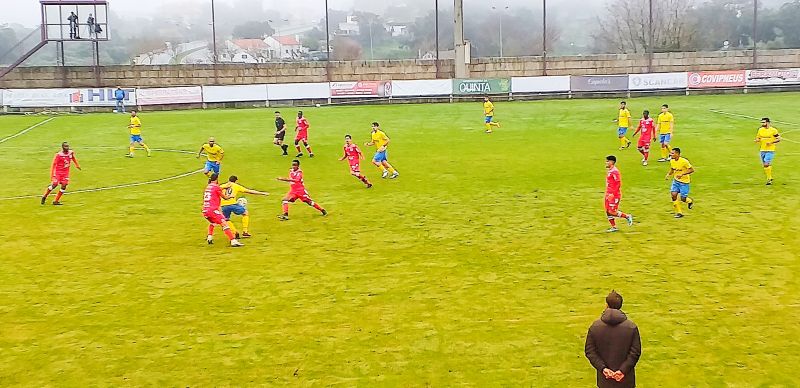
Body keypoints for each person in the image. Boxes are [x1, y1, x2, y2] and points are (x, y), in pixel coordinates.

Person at [585, 290, 642, 388]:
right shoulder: (631, 327)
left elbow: (590, 352)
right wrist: (622, 371)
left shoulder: (595, 327)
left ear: (606, 305)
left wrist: (603, 369)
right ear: (620, 306)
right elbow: (635, 353)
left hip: (604, 381)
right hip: (626, 380)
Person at [202, 173, 243, 247]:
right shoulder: (216, 187)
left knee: (213, 222)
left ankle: (209, 237)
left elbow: (217, 189)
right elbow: (225, 197)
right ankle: (233, 241)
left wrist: (224, 187)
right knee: (224, 223)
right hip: (212, 210)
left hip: (205, 210)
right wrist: (231, 196)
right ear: (217, 179)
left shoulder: (208, 186)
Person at [604, 156, 633, 232]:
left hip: (614, 195)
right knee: (607, 211)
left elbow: (618, 183)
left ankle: (627, 216)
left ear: (611, 162)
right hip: (608, 194)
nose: (606, 163)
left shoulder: (615, 171)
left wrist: (613, 194)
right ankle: (614, 227)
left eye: (607, 161)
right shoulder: (610, 170)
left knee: (612, 212)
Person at [665, 147, 695, 218]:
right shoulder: (672, 161)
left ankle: (690, 201)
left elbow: (691, 170)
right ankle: (679, 212)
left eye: (672, 153)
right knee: (673, 195)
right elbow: (672, 169)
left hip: (684, 183)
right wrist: (668, 174)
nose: (670, 154)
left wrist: (682, 174)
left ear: (677, 154)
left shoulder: (684, 161)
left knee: (683, 198)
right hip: (676, 181)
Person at [755, 117, 781, 185]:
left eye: (763, 122)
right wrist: (757, 140)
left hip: (770, 150)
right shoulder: (760, 130)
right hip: (762, 149)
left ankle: (769, 179)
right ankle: (769, 177)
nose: (762, 124)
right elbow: (758, 137)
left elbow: (778, 139)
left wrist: (771, 142)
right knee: (765, 165)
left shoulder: (773, 130)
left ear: (768, 123)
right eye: (762, 122)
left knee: (766, 164)